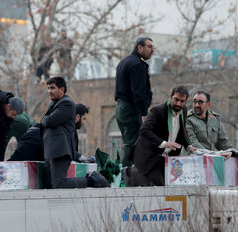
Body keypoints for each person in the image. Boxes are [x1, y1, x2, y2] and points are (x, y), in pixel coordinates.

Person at [41, 77, 109, 189]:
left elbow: (49, 121)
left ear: (62, 89)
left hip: (60, 151)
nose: (49, 91)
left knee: (59, 184)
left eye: (52, 88)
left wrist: (44, 120)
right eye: (48, 88)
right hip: (52, 151)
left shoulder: (66, 103)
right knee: (49, 185)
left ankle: (92, 180)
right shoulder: (54, 104)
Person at [122, 86, 196, 186]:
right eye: (176, 100)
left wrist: (189, 146)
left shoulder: (183, 110)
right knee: (159, 185)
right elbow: (144, 130)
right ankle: (130, 174)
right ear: (170, 97)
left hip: (168, 157)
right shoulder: (158, 111)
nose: (178, 104)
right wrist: (164, 143)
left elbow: (181, 131)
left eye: (182, 101)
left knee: (172, 184)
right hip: (150, 156)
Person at [115, 37, 154, 167]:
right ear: (139, 47)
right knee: (133, 145)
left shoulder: (124, 61)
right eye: (149, 47)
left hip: (121, 108)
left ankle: (126, 177)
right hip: (131, 109)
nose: (152, 50)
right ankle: (123, 179)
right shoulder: (137, 64)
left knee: (130, 144)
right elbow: (139, 92)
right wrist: (144, 113)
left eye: (153, 47)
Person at [8, 104, 91, 162]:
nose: (83, 122)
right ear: (77, 117)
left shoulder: (69, 131)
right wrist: (80, 157)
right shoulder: (63, 130)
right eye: (84, 119)